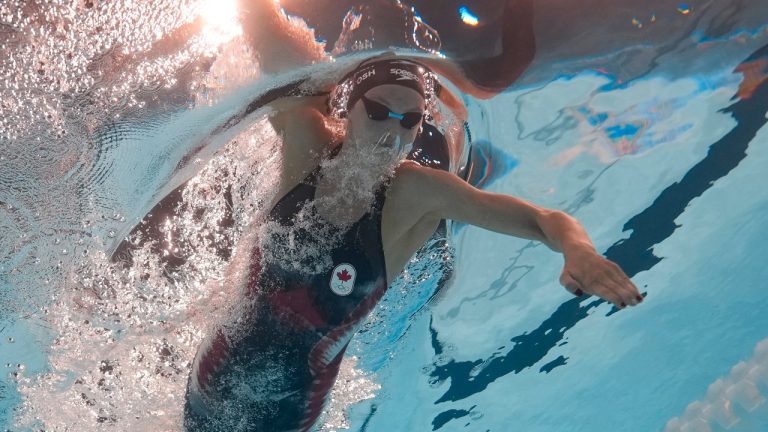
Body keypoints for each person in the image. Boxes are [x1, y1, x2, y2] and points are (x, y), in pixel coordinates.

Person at [179, 2, 642, 431]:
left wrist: (577, 250)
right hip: (207, 381)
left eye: (410, 120)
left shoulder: (416, 193)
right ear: (349, 108)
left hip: (287, 416)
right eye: (380, 112)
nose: (394, 135)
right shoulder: (305, 143)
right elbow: (268, 33)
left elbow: (543, 220)